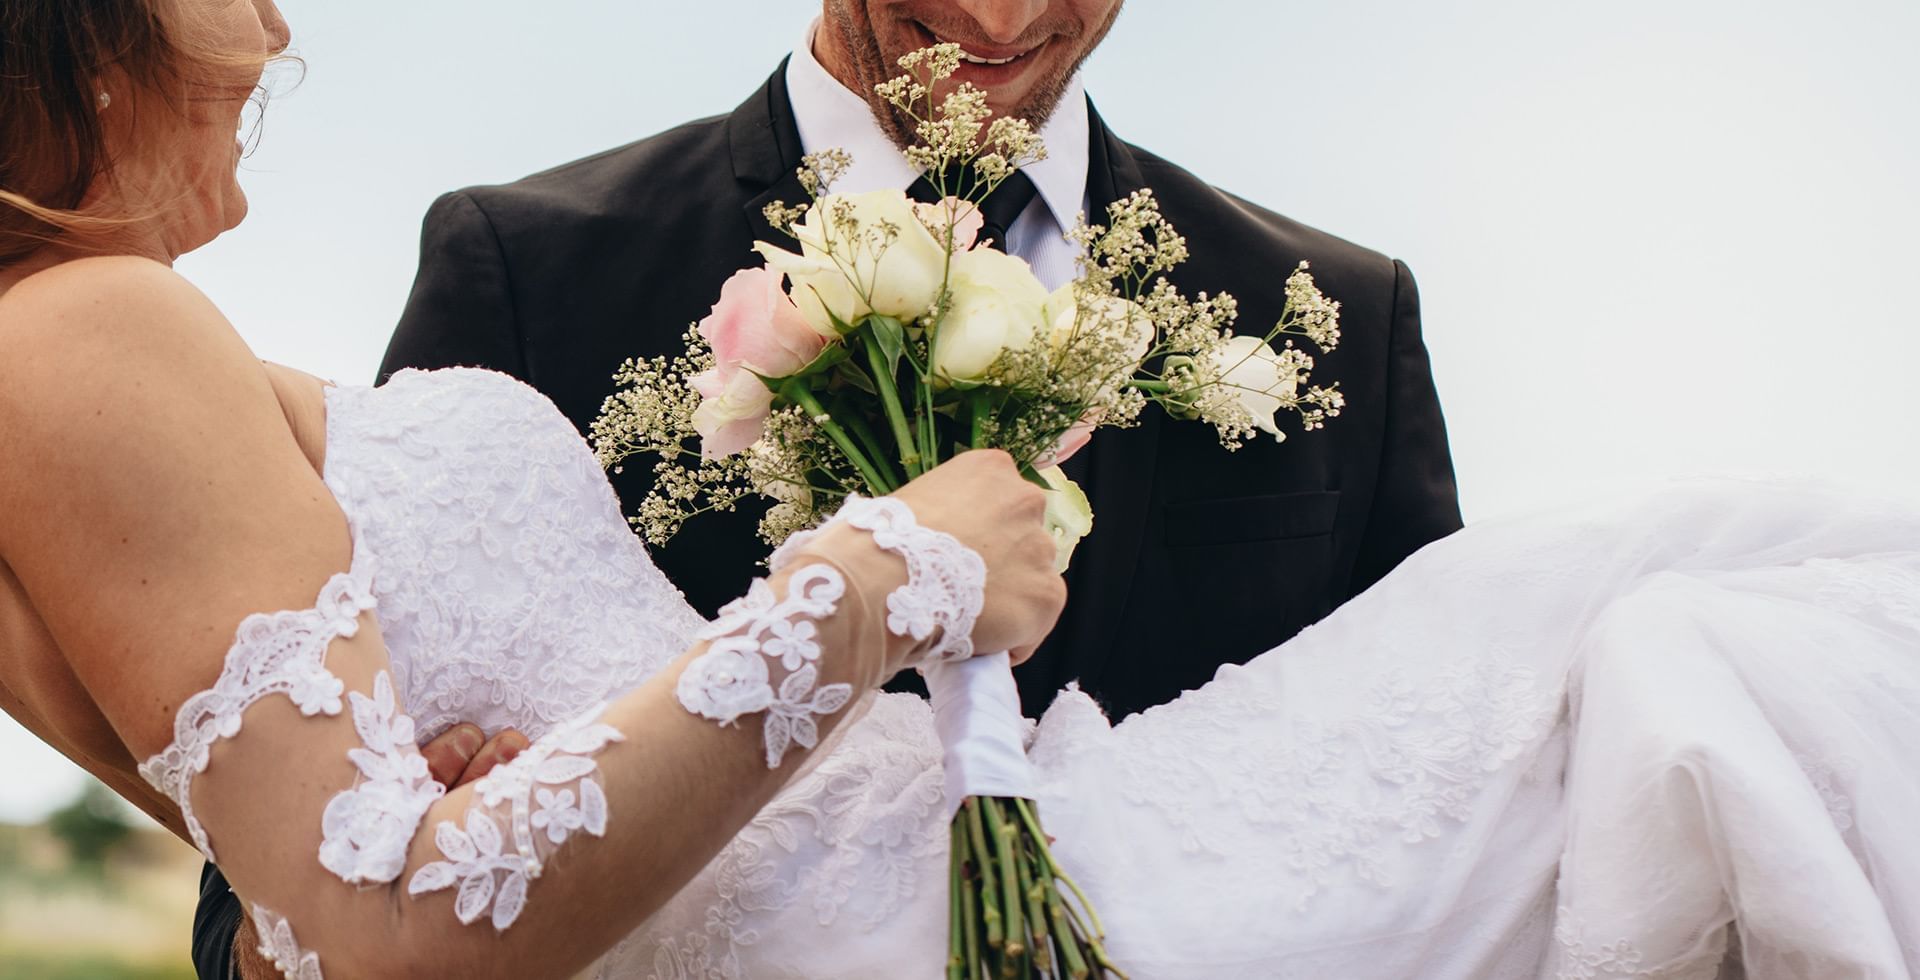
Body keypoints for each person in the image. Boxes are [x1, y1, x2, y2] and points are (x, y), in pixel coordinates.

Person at [6, 3, 1918, 979]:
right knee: (1732, 637)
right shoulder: (510, 267)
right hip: (914, 936)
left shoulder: (1346, 312)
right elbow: (338, 907)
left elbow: (310, 794)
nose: (278, 27)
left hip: (1223, 850)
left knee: (1700, 627)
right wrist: (881, 577)